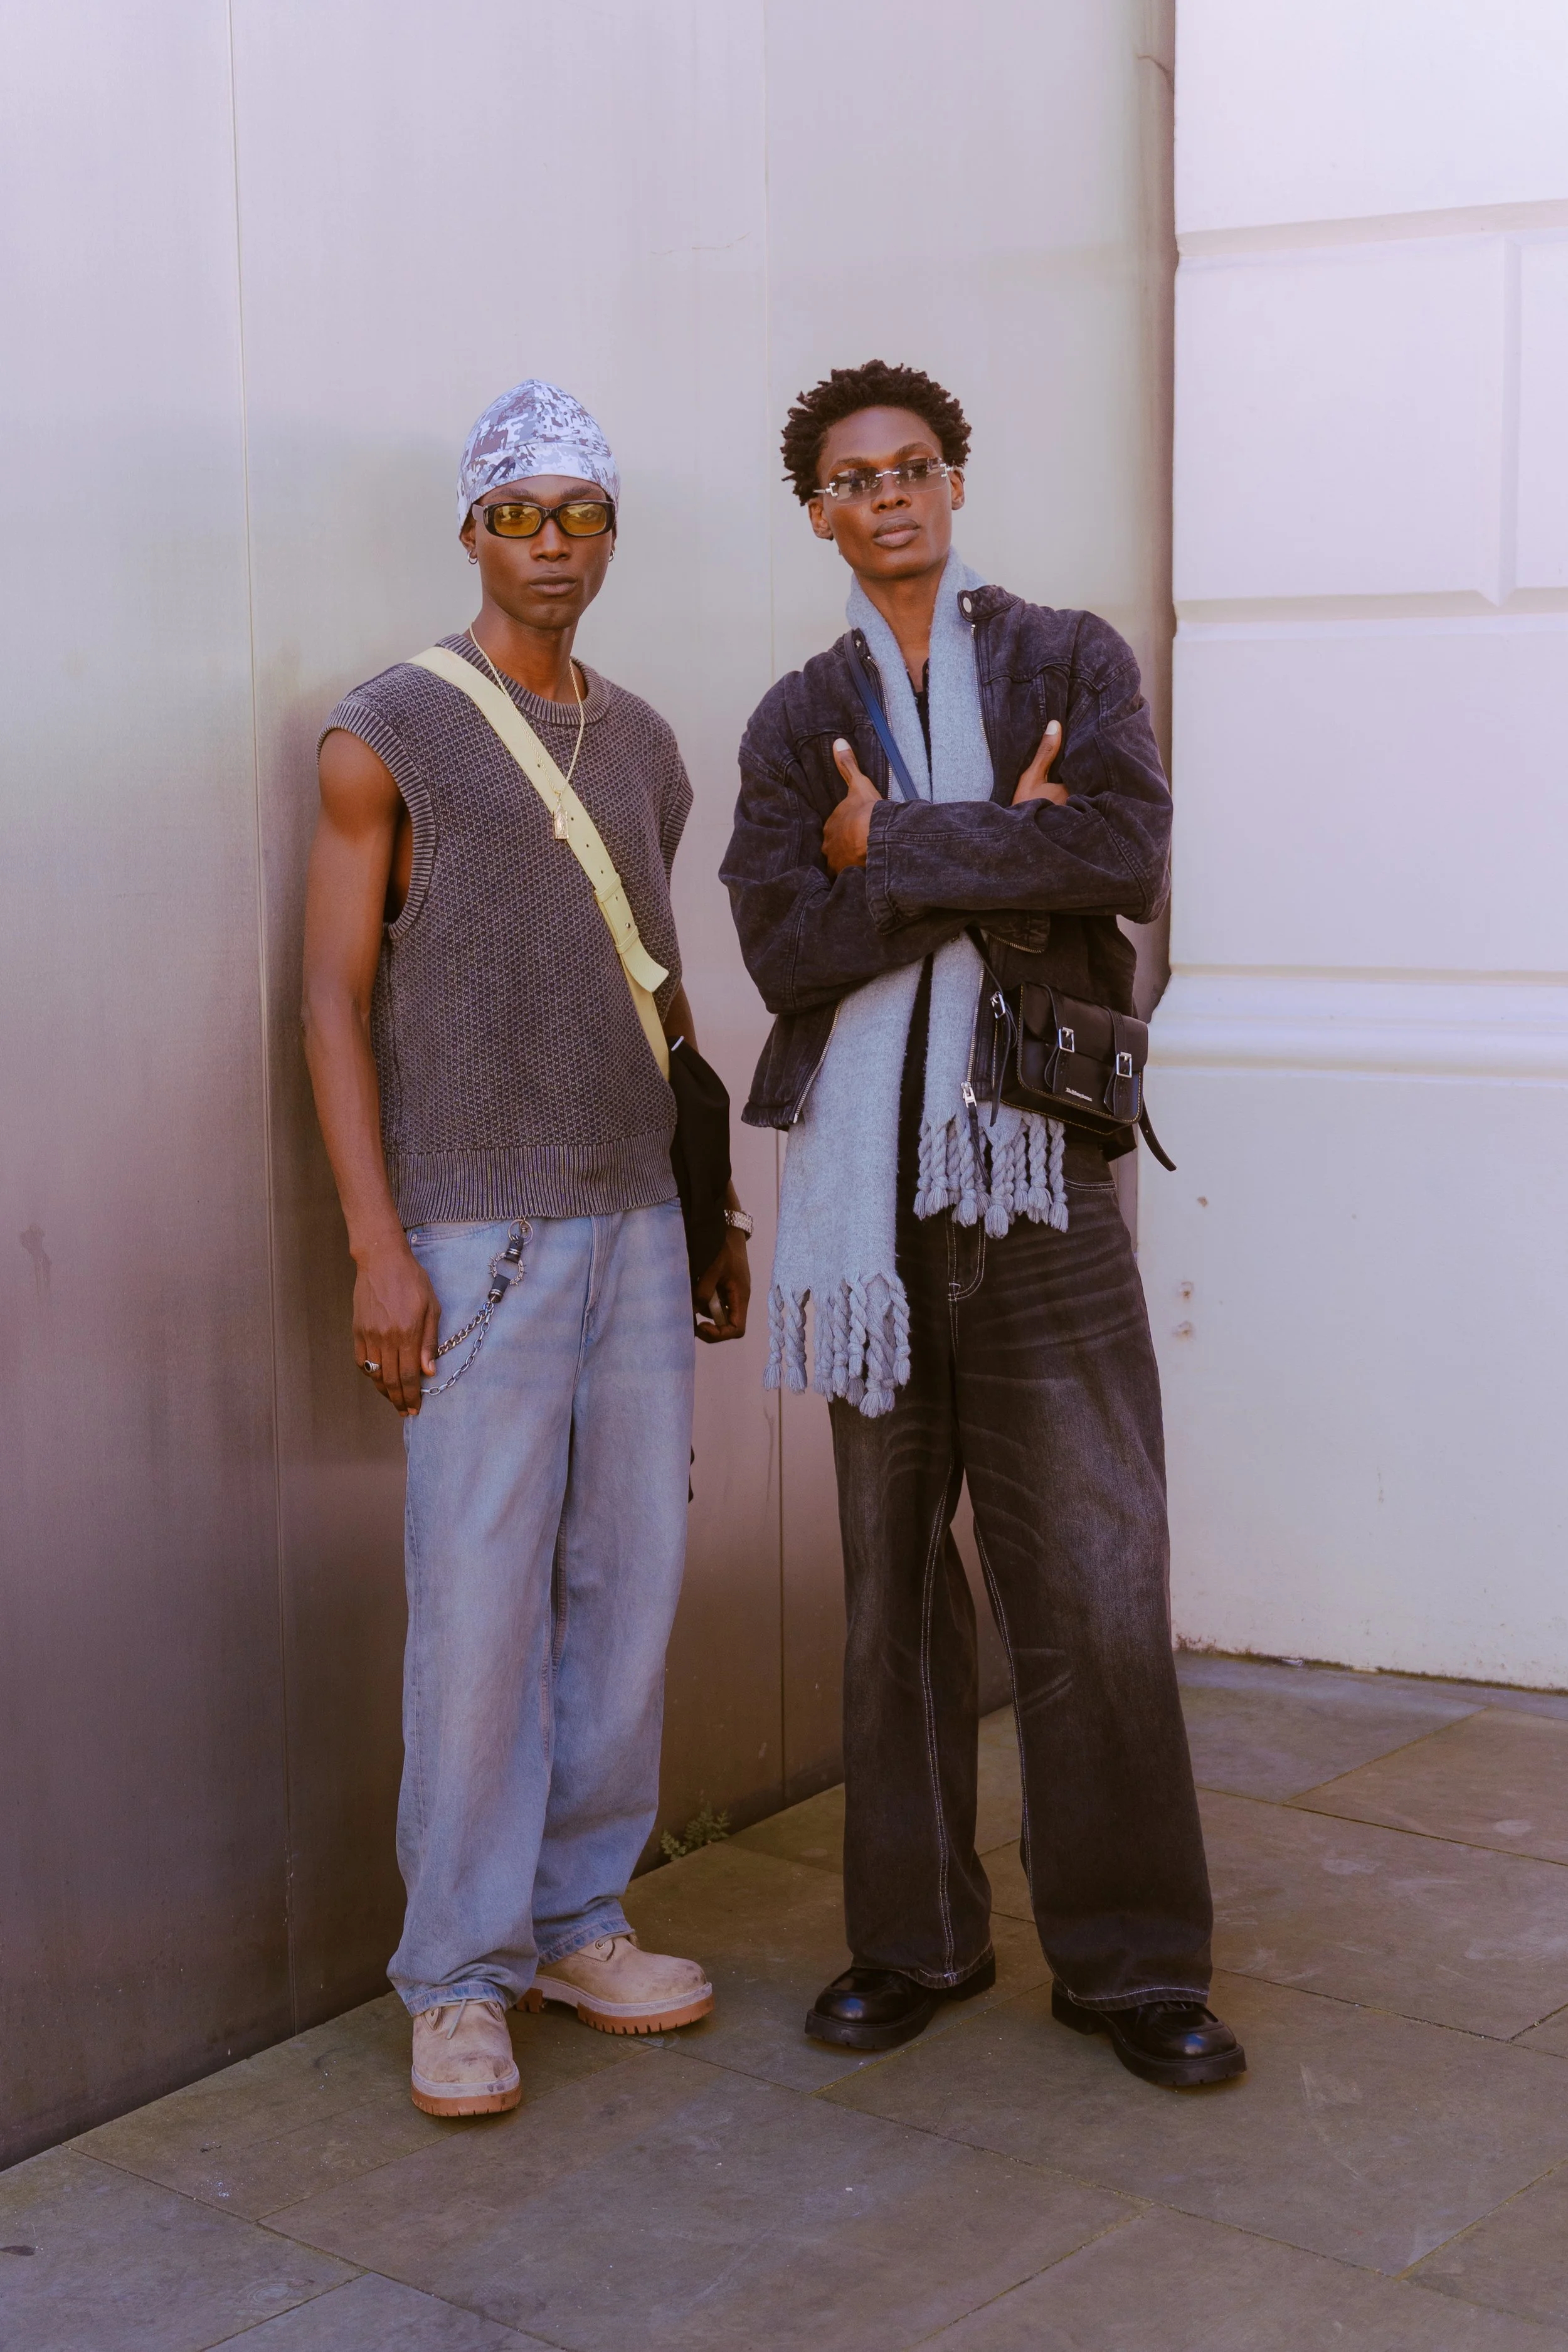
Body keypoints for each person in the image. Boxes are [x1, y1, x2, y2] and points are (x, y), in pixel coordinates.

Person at [721, 359, 1243, 2089]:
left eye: (912, 466)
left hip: (1038, 1174)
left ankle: (1134, 1965)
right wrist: (988, 844)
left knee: (1093, 1571)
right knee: (891, 1593)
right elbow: (783, 953)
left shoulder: (1066, 658)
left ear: (953, 482)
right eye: (852, 478)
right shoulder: (795, 718)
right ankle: (914, 1942)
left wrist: (889, 846)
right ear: (818, 515)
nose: (886, 494)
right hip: (862, 1201)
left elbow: (1120, 854)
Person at [302, 380, 752, 2117]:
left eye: (580, 513)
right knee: (478, 1606)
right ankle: (456, 1974)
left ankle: (578, 1919)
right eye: (518, 512)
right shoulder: (388, 730)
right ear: (470, 528)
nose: (550, 543)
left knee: (626, 1588)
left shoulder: (645, 743)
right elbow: (331, 1002)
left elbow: (655, 984)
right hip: (474, 1229)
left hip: (637, 1217)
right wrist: (377, 1246)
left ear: (613, 534)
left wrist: (709, 1206)